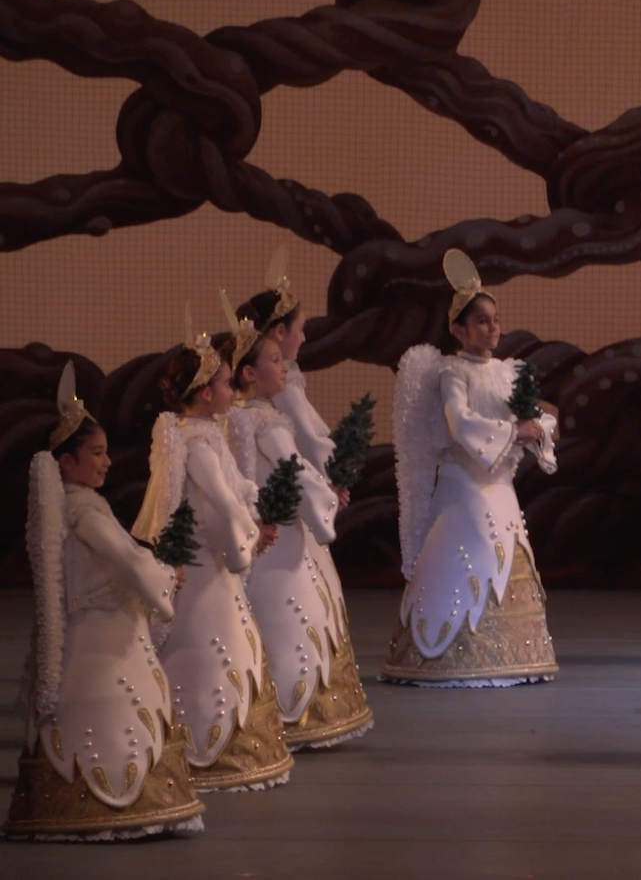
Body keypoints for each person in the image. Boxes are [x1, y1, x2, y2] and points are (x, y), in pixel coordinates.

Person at [4, 364, 205, 840]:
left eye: (106, 452)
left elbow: (131, 555)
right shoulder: (84, 512)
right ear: (66, 464)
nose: (106, 462)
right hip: (103, 637)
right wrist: (164, 579)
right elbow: (130, 563)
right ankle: (114, 802)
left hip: (100, 628)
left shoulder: (79, 507)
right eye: (95, 453)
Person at [382, 249, 559, 686]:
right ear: (459, 329)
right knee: (473, 547)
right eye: (481, 321)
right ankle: (445, 653)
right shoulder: (451, 371)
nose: (491, 327)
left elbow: (539, 415)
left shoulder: (509, 372)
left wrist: (537, 428)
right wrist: (510, 431)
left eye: (495, 320)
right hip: (464, 482)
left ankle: (511, 652)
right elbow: (458, 422)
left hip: (499, 484)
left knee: (507, 552)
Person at [133, 320, 293, 790]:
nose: (230, 390)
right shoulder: (198, 442)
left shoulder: (195, 432)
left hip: (209, 562)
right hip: (208, 570)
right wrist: (247, 544)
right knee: (210, 651)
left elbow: (237, 488)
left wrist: (251, 512)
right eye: (225, 383)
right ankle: (208, 746)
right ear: (205, 393)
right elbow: (221, 504)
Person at [224, 293, 372, 748]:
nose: (286, 362)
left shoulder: (240, 416)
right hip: (283, 537)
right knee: (293, 613)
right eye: (274, 356)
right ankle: (292, 711)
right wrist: (328, 496)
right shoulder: (265, 421)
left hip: (270, 531)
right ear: (251, 371)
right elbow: (297, 469)